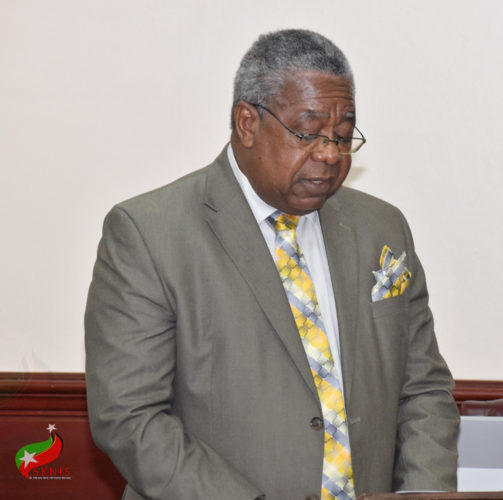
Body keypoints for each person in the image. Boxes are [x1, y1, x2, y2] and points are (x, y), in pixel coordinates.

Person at [85, 29, 459, 500]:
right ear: (247, 123)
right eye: (308, 133)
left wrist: (422, 495)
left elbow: (424, 390)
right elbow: (130, 417)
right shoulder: (149, 233)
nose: (329, 154)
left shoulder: (382, 228)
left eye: (342, 137)